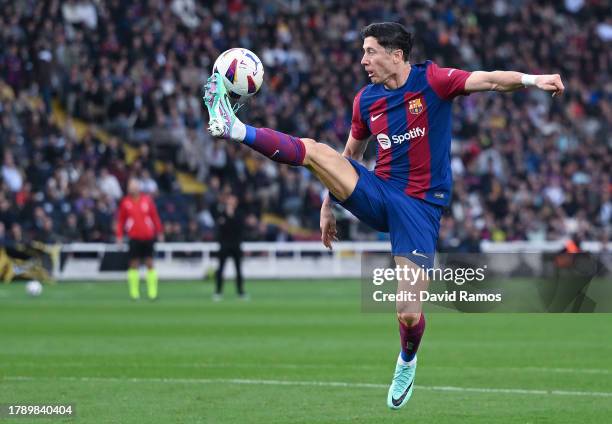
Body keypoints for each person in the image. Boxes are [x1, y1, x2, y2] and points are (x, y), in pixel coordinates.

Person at [203, 22, 564, 410]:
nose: (363, 60)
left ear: (396, 55)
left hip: (420, 208)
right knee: (317, 151)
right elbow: (350, 158)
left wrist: (532, 79)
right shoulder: (366, 101)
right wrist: (328, 205)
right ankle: (236, 128)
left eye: (370, 51)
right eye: (363, 51)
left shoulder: (435, 80)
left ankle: (407, 360)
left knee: (408, 312)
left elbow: (490, 80)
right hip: (379, 192)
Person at [116, 177, 164, 300]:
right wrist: (119, 236)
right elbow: (121, 221)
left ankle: (152, 293)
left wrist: (159, 231)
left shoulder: (147, 200)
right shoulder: (125, 202)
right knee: (133, 264)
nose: (132, 188)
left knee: (150, 263)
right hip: (134, 237)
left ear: (138, 187)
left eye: (134, 185)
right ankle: (134, 293)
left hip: (148, 236)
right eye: (130, 186)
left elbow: (154, 217)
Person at [213, 194, 247, 301]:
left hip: (236, 245)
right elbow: (221, 228)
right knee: (220, 269)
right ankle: (218, 292)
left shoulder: (240, 213)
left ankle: (240, 292)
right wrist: (227, 216)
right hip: (224, 245)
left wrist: (230, 216)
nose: (231, 203)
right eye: (229, 200)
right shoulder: (221, 213)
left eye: (233, 201)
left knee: (238, 270)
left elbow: (239, 227)